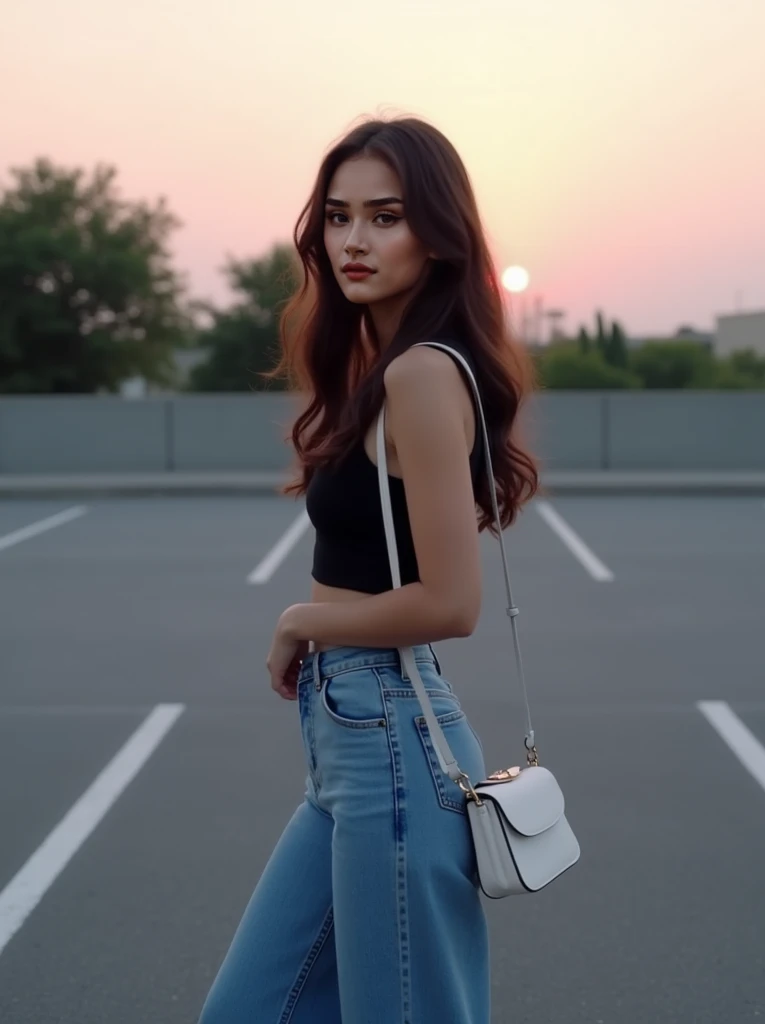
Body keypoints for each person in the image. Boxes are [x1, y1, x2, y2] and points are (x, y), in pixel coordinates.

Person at [198, 115, 539, 1024]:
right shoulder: (383, 368)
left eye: (385, 216)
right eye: (340, 217)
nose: (355, 240)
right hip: (351, 744)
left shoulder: (422, 375)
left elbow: (452, 602)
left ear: (437, 234)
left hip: (388, 729)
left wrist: (300, 621)